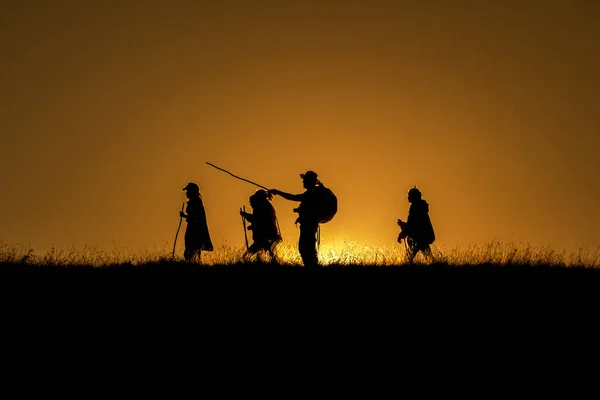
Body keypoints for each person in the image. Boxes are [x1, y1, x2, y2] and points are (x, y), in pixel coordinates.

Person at [270, 171, 323, 268]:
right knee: (307, 246)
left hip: (309, 224)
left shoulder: (311, 193)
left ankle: (312, 267)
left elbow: (294, 197)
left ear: (309, 181)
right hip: (310, 223)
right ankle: (312, 266)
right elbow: (309, 208)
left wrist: (278, 192)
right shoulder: (313, 193)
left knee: (305, 246)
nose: (303, 182)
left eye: (304, 180)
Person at [240, 189, 282, 261]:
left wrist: (245, 215)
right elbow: (262, 221)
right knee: (270, 257)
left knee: (246, 257)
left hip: (265, 238)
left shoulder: (262, 207)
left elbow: (256, 219)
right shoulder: (267, 206)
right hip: (270, 237)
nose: (251, 204)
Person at [397, 186, 435, 263]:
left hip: (417, 238)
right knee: (430, 259)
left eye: (409, 195)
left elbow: (412, 224)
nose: (408, 197)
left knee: (408, 260)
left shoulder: (415, 208)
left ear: (414, 197)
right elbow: (414, 223)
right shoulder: (421, 208)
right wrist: (403, 225)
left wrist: (402, 233)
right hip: (423, 237)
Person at [180, 182, 213, 262]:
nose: (186, 193)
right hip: (194, 229)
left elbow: (195, 217)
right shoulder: (195, 202)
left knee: (191, 251)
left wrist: (185, 216)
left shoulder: (195, 203)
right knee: (193, 251)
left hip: (194, 230)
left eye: (188, 191)